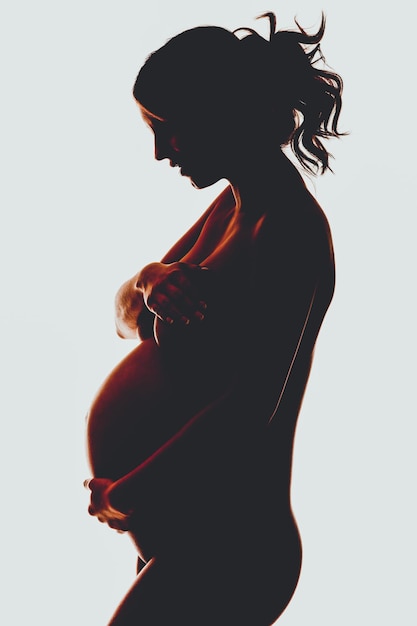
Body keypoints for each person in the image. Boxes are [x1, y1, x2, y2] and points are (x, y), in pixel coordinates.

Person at [84, 11, 344, 626]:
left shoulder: (288, 228)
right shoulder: (233, 206)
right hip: (187, 541)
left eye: (166, 130)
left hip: (233, 547)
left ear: (217, 116)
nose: (157, 152)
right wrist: (150, 277)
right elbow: (128, 319)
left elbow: (251, 407)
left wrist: (128, 495)